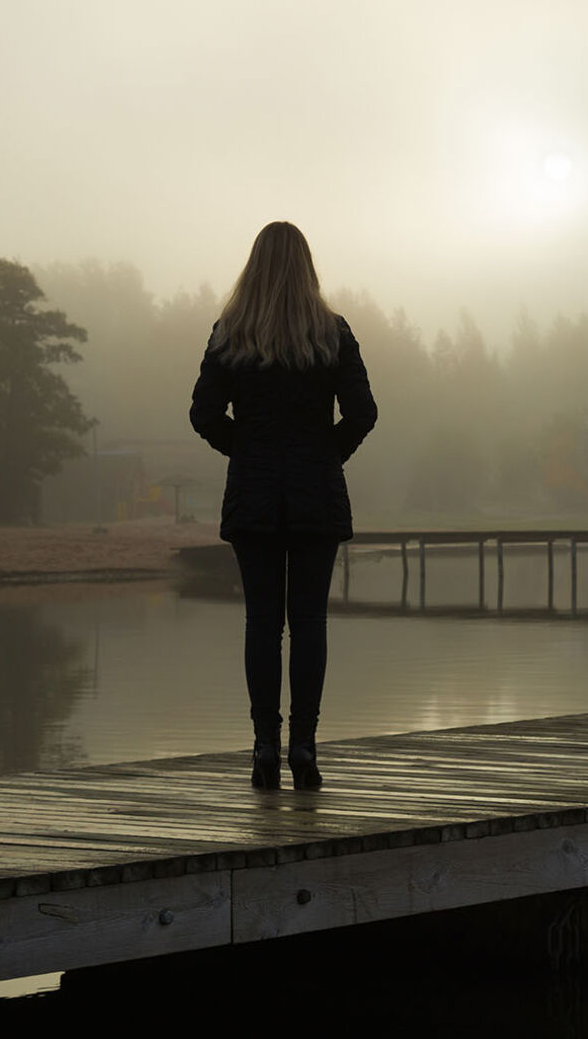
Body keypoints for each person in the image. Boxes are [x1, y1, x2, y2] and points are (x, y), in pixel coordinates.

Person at [189, 221, 378, 789]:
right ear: (307, 266)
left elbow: (202, 414)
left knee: (263, 624)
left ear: (255, 265)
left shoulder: (231, 332)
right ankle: (305, 748)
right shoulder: (333, 331)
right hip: (316, 494)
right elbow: (363, 413)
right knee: (311, 622)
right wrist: (326, 457)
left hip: (254, 496)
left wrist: (245, 453)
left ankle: (264, 748)